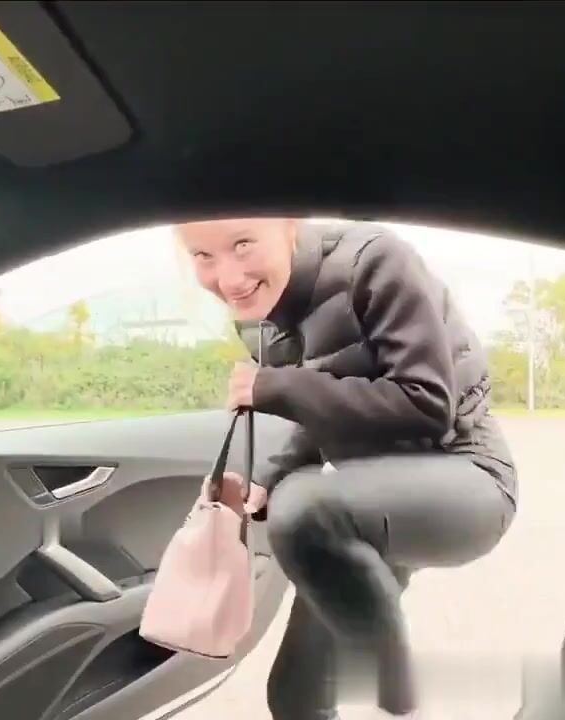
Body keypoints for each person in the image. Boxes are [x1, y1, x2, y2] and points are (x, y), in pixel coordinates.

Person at [175, 217, 518, 719]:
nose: (228, 279)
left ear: (288, 223)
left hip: (466, 475)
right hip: (365, 503)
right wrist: (266, 479)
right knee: (296, 697)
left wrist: (274, 387)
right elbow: (325, 408)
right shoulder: (260, 315)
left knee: (304, 508)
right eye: (203, 256)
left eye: (242, 244)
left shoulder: (374, 259)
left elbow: (426, 402)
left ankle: (395, 688)